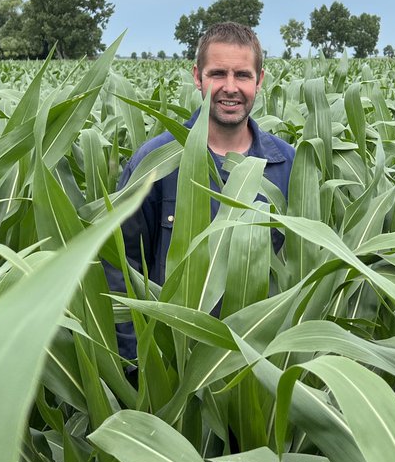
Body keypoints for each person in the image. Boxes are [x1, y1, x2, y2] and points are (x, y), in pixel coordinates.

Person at [106, 22, 295, 361]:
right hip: (174, 359)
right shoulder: (156, 162)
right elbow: (121, 266)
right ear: (197, 77)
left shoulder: (287, 164)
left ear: (260, 80)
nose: (230, 87)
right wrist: (136, 367)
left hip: (258, 359)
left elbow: (301, 267)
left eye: (243, 75)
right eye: (217, 74)